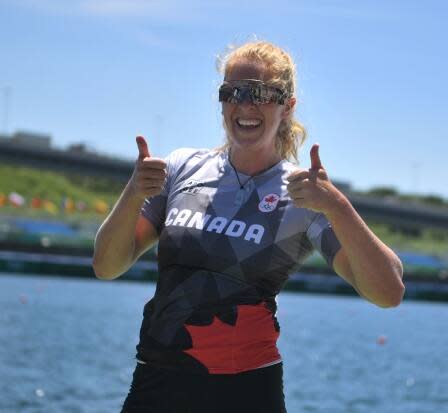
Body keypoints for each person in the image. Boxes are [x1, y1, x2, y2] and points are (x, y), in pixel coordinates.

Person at [92, 40, 404, 413]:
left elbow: (388, 292)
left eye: (260, 94)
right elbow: (107, 266)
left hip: (246, 392)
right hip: (156, 383)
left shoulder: (305, 196)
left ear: (288, 106)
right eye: (232, 92)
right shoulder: (182, 168)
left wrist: (337, 205)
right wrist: (133, 192)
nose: (244, 105)